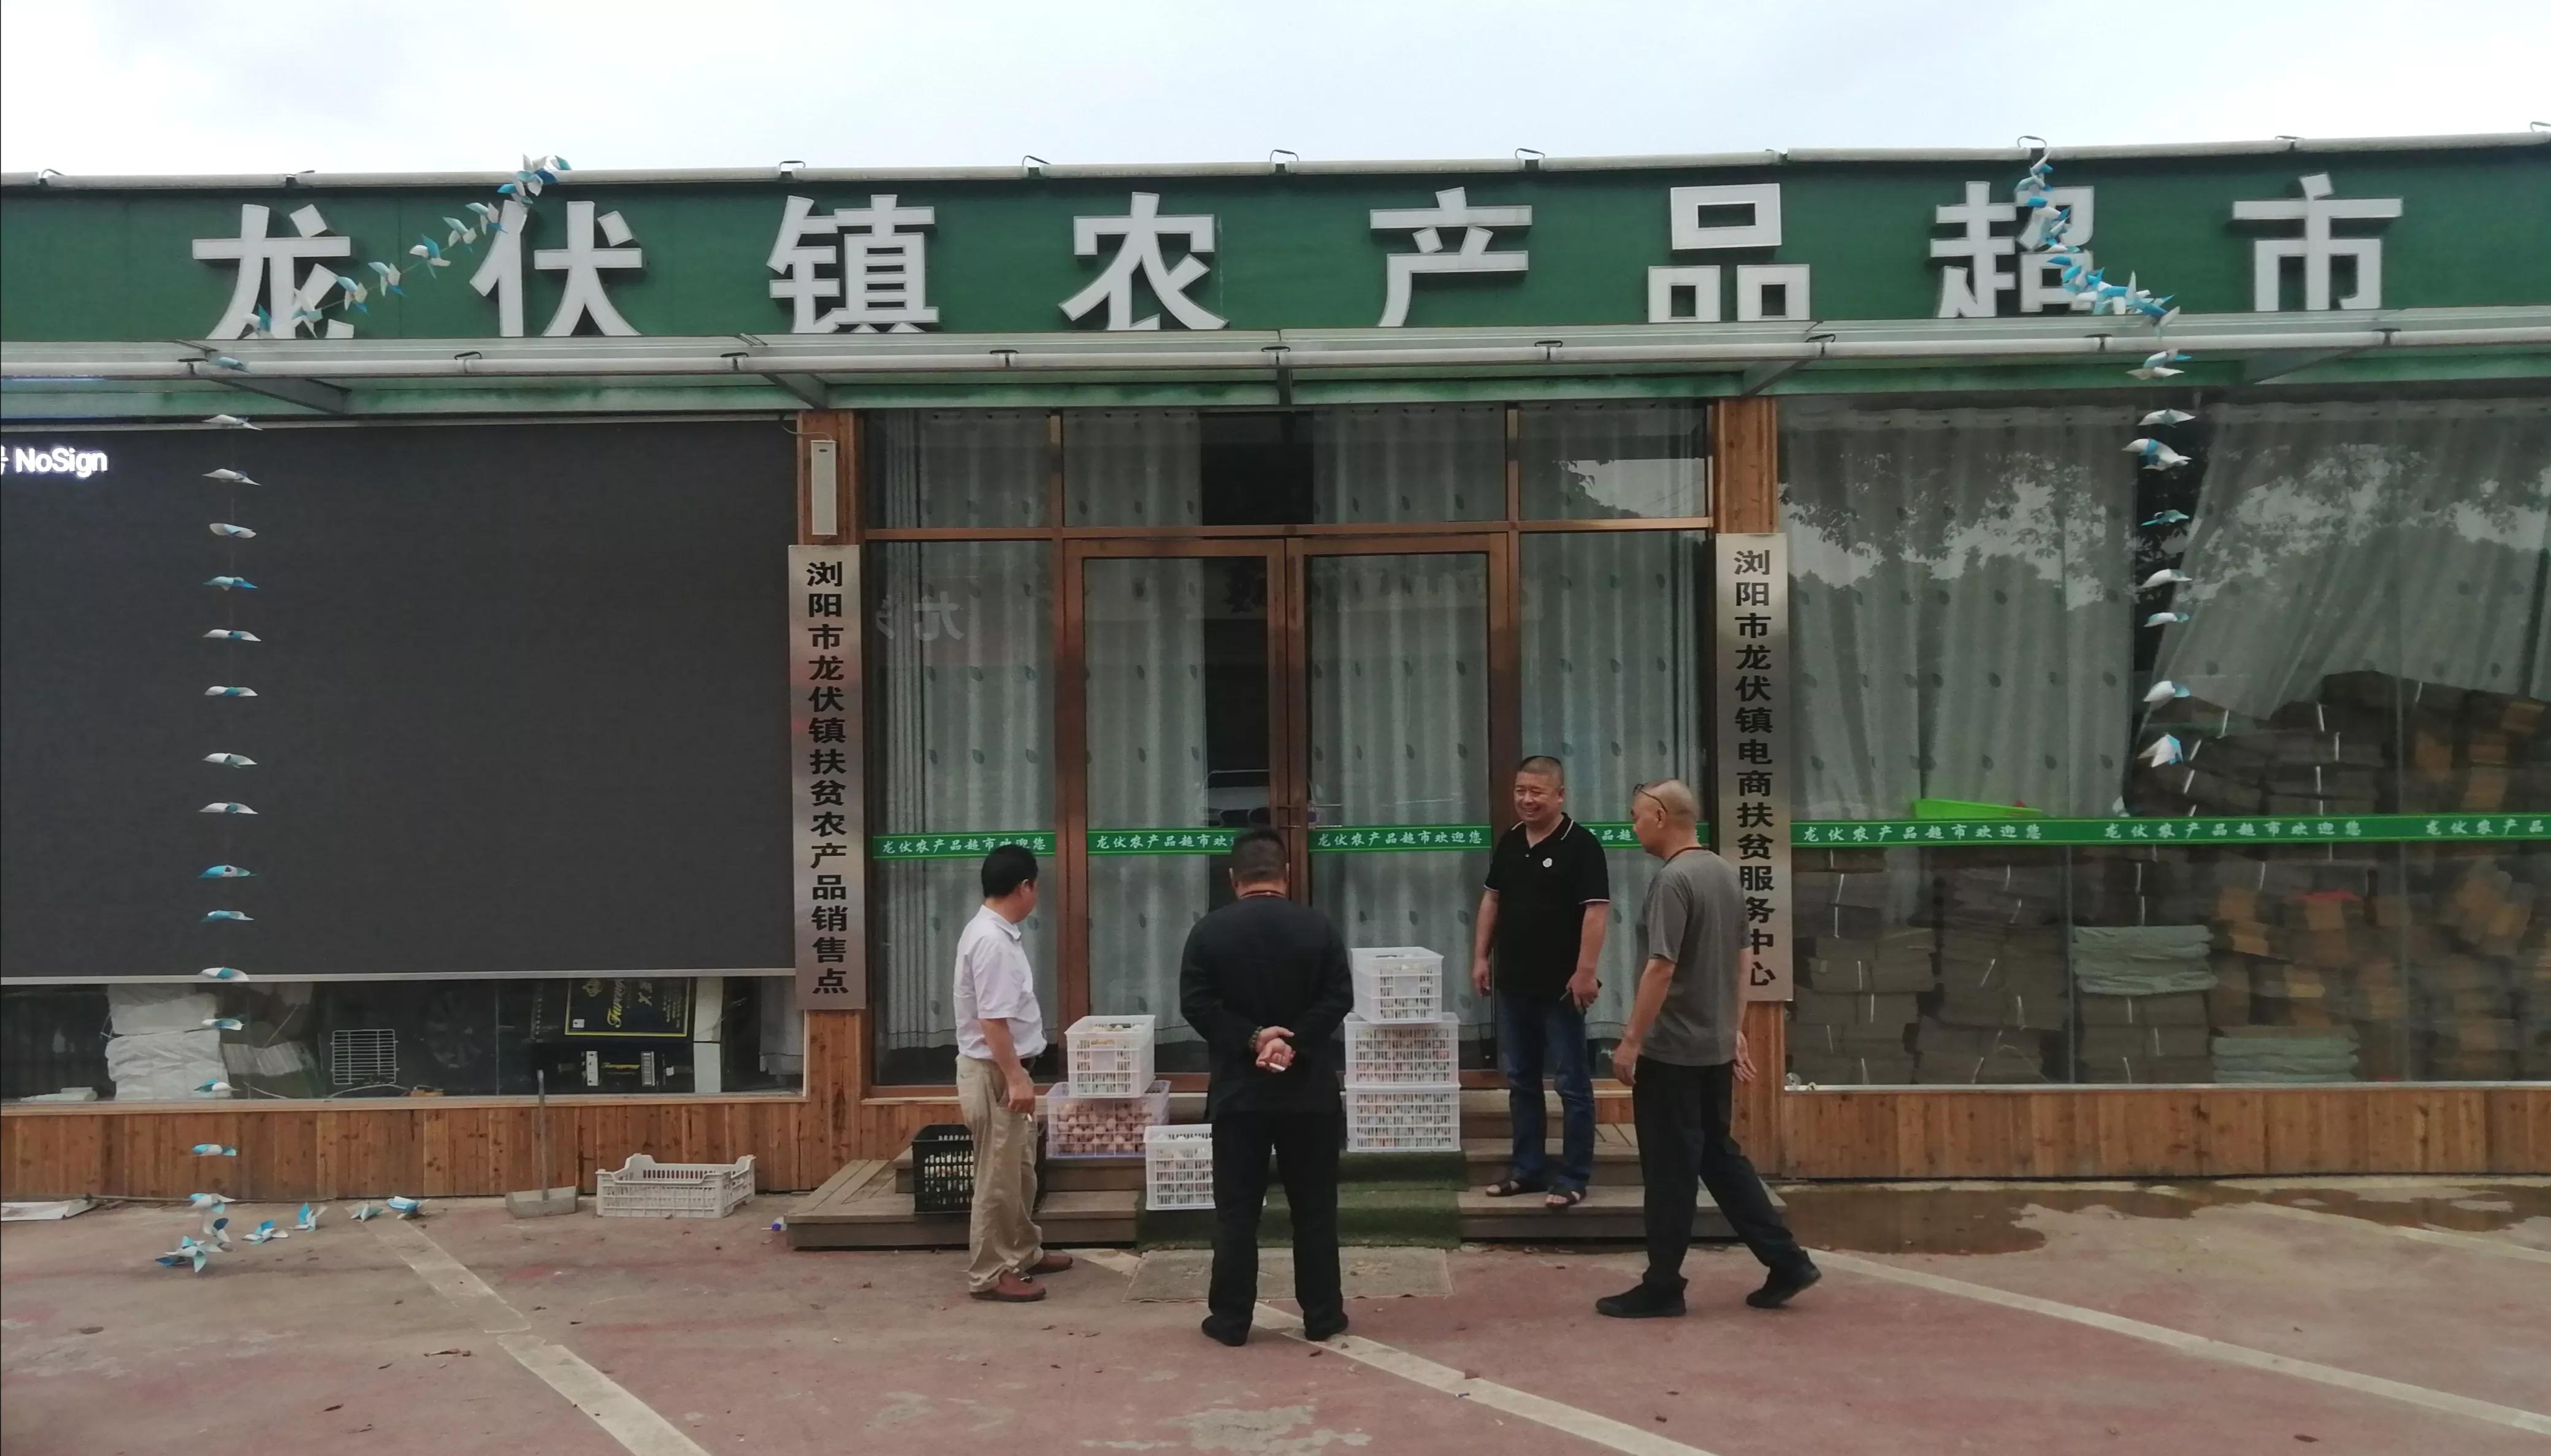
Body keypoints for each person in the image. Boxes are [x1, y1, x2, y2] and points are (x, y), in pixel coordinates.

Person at [1597, 779, 1819, 1319]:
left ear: (1659, 815)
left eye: (1635, 816)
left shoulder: (1673, 880)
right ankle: (1787, 1260)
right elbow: (1744, 957)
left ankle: (1663, 1285)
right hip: (1713, 1049)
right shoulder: (1722, 871)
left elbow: (1661, 966)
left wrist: (1631, 1040)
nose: (1632, 826)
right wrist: (1731, 1027)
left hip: (1672, 1052)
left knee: (1669, 1169)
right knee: (1718, 1156)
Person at [1177, 828, 1355, 1347]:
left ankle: (1231, 1319)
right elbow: (1338, 997)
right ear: (1287, 875)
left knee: (1237, 1212)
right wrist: (1292, 1042)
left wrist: (1254, 1037)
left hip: (1239, 1094)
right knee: (1314, 1210)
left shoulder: (1208, 932)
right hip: (1309, 1093)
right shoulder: (1318, 927)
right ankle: (1323, 1314)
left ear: (1234, 878)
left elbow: (1196, 1002)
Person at [1470, 755, 1610, 1210]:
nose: (1526, 800)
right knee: (1521, 1081)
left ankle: (1573, 1177)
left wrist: (1585, 970)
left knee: (1572, 1084)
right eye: (1520, 791)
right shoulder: (1511, 840)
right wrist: (1481, 957)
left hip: (1562, 988)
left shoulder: (1582, 845)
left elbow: (1596, 911)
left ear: (1560, 795)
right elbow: (1492, 899)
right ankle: (1527, 1169)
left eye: (1537, 792)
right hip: (1514, 984)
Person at [952, 843, 1073, 1303]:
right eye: (1035, 886)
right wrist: (1016, 1077)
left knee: (1019, 1171)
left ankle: (1022, 1250)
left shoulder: (996, 933)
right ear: (1024, 887)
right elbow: (992, 1020)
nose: (1035, 895)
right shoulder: (992, 940)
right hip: (995, 1071)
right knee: (998, 1177)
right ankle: (990, 1271)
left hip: (1005, 1067)